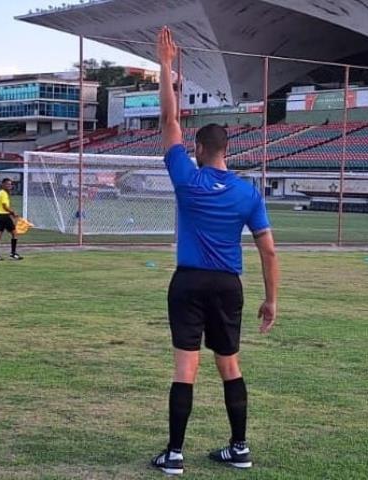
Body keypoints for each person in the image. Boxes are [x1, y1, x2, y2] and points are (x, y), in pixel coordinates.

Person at [150, 26, 279, 476]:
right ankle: (239, 448)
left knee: (185, 368)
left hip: (188, 281)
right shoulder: (248, 193)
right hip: (229, 284)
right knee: (230, 365)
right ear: (228, 150)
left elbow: (169, 123)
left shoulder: (187, 178)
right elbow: (269, 252)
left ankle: (175, 455)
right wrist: (271, 299)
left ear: (199, 149)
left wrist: (166, 65)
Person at [0, 178, 22, 261]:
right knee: (14, 233)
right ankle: (13, 253)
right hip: (4, 216)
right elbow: (5, 206)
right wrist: (13, 213)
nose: (10, 186)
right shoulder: (4, 193)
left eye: (10, 184)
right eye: (8, 184)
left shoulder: (0, 192)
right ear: (3, 184)